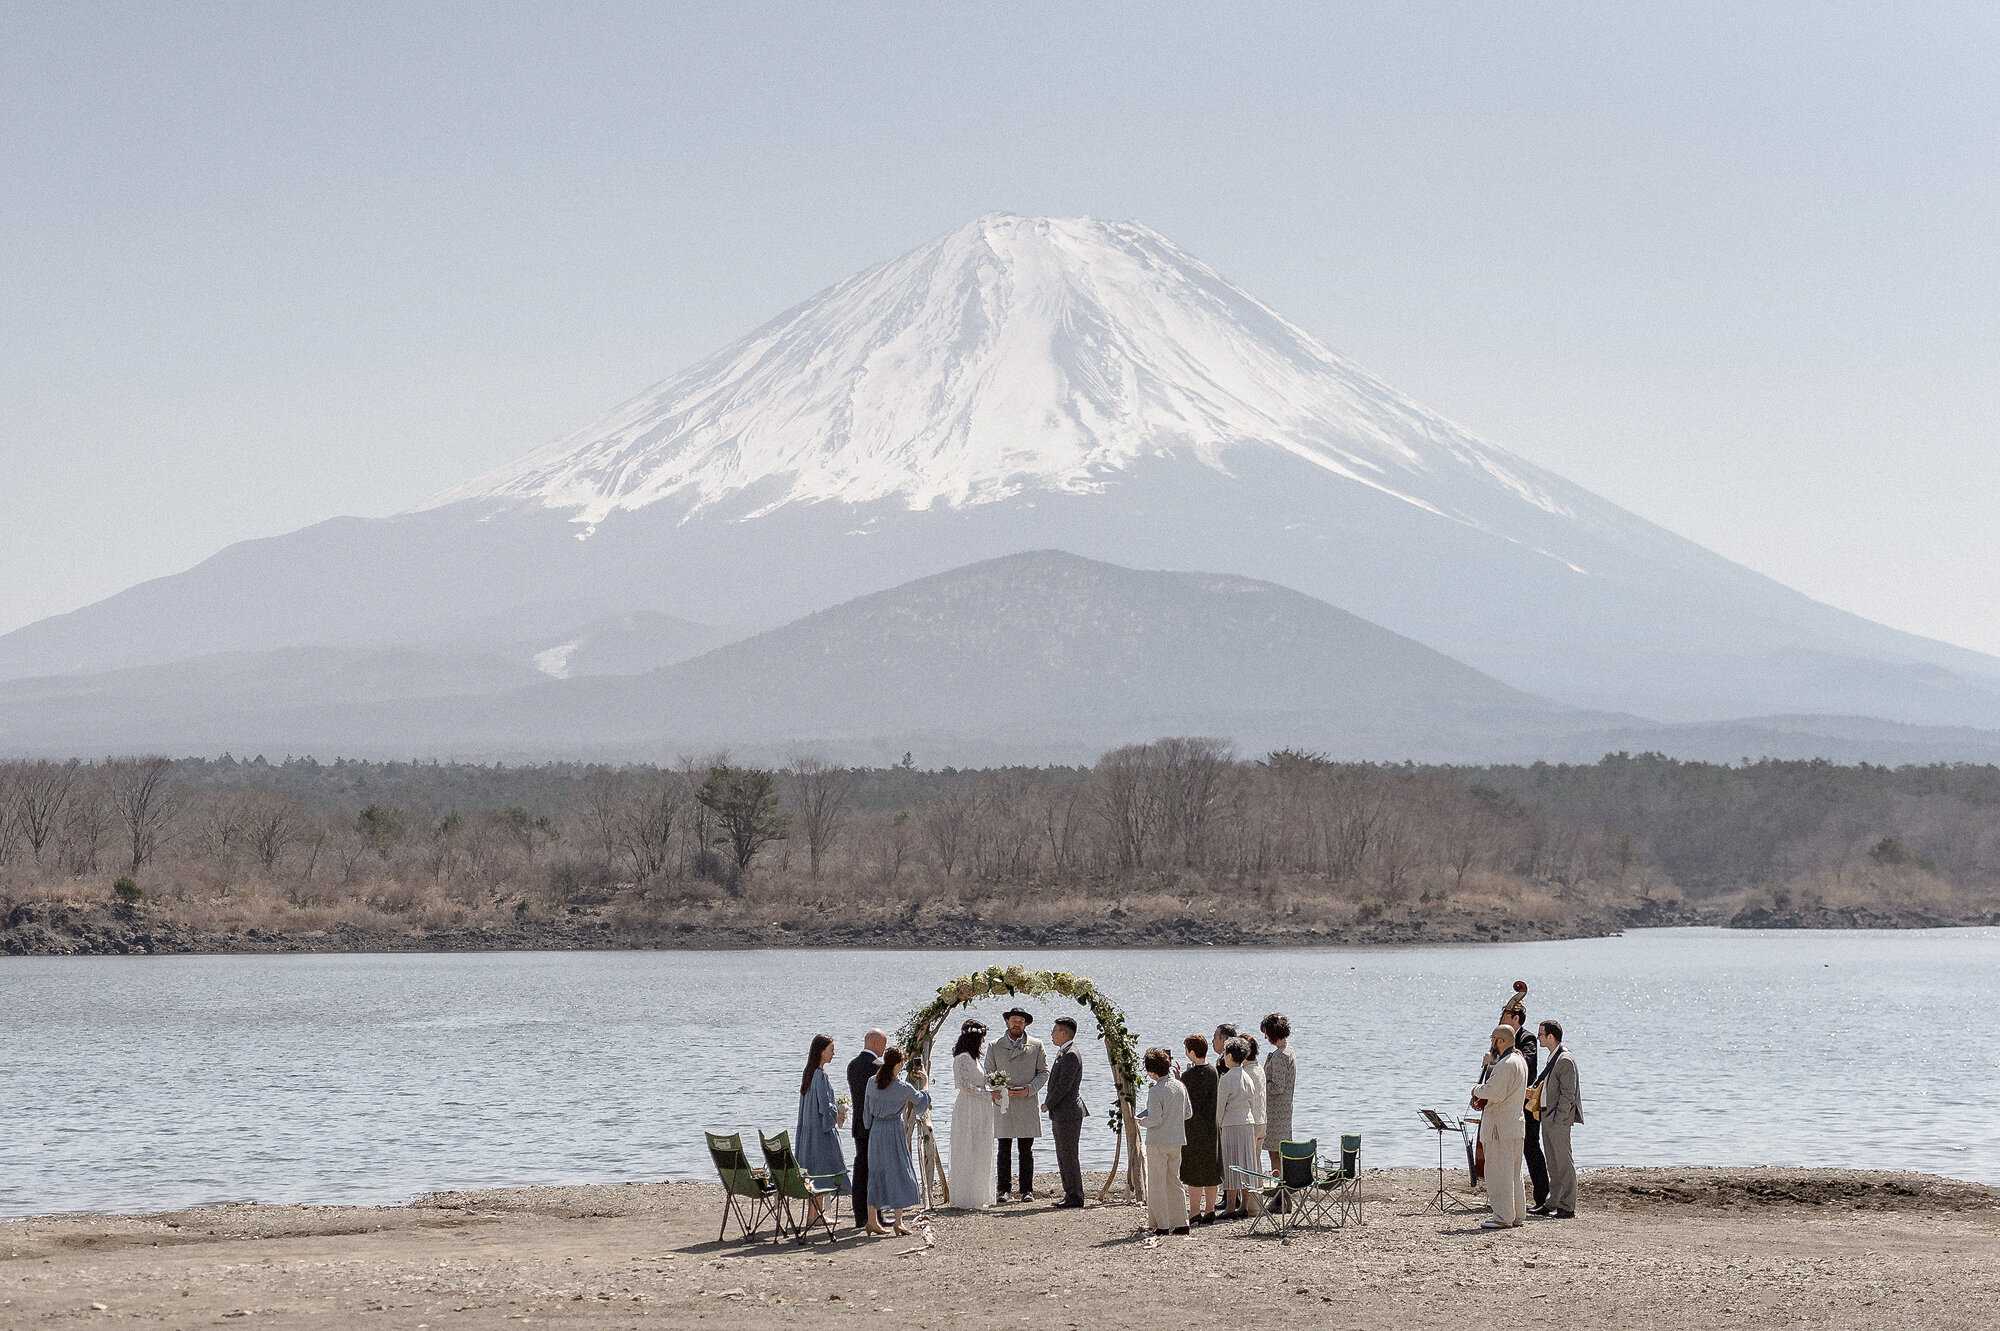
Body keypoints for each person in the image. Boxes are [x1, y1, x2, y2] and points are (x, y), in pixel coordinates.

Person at [863, 1046, 931, 1235]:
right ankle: (898, 1221)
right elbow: (922, 1100)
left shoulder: (871, 1082)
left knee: (876, 1174)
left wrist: (869, 1125)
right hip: (893, 1129)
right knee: (898, 1171)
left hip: (876, 1131)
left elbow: (866, 1110)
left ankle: (872, 1220)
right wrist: (925, 1081)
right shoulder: (902, 1087)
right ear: (899, 1064)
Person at [984, 1006, 1047, 1201]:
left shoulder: (1036, 1045)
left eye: (1021, 1020)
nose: (1017, 1023)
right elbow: (988, 1072)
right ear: (1007, 1022)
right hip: (1004, 1102)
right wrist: (1000, 1087)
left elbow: (1044, 1072)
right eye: (1013, 1020)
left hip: (1027, 1102)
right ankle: (1003, 1190)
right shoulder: (994, 1045)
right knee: (1004, 1148)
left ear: (1025, 1023)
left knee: (1026, 1149)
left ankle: (1026, 1190)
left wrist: (1030, 1089)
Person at [1470, 1023, 1528, 1229]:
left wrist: (1477, 1089)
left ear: (1501, 1041)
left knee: (1498, 1172)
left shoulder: (1507, 1064)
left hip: (1500, 1127)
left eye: (1493, 1039)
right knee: (1513, 1172)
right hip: (1514, 1124)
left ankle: (1503, 1217)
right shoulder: (1519, 1060)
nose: (1492, 1044)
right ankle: (1517, 1214)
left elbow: (1495, 1092)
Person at [1501, 981, 1550, 1213]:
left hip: (1527, 1102)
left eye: (1506, 1017)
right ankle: (1508, 1194)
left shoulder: (1527, 1038)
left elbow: (1527, 1062)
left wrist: (1509, 1052)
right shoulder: (1504, 1040)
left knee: (1531, 1146)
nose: (1502, 1021)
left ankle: (1542, 1196)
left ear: (1516, 1019)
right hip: (1509, 1102)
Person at [1136, 1047, 1193, 1235]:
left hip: (1158, 1141)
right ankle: (1181, 1221)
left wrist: (1141, 1121)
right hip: (1177, 1139)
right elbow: (1188, 1113)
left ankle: (1161, 1224)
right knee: (1174, 1181)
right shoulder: (1180, 1086)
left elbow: (1155, 1120)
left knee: (1157, 1182)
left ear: (1152, 1071)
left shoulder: (1156, 1091)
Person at [795, 1033, 849, 1226]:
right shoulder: (820, 1076)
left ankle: (814, 1214)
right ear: (821, 1051)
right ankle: (815, 1215)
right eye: (831, 1050)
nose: (834, 1054)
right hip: (820, 1133)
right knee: (823, 1170)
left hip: (807, 1132)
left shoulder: (808, 1073)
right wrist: (838, 1115)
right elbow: (824, 1108)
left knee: (813, 1169)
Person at [1533, 1020, 1583, 1219]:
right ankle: (1552, 1202)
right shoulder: (1554, 1057)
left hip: (1557, 1119)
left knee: (1563, 1163)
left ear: (1550, 1037)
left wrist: (1559, 1118)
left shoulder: (1565, 1060)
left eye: (1541, 1034)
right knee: (1552, 1164)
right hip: (1547, 1115)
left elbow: (1568, 1094)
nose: (1538, 1037)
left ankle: (1567, 1206)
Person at [948, 1020, 1000, 1209]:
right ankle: (966, 1196)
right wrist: (987, 1094)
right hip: (969, 1106)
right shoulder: (962, 1058)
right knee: (968, 1146)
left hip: (981, 1106)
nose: (983, 1041)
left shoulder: (975, 1059)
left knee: (980, 1146)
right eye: (981, 1038)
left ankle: (979, 1195)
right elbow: (962, 1085)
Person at [1042, 1016, 1089, 1209]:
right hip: (1062, 1112)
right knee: (1063, 1153)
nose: (1051, 1035)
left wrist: (1048, 1103)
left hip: (1069, 1112)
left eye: (1054, 1031)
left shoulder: (1070, 1054)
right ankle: (1070, 1192)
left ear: (1063, 1033)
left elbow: (1064, 1086)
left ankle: (1075, 1195)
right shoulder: (1064, 1052)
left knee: (1069, 1154)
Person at [1178, 1034, 1223, 1223]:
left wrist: (1178, 1079)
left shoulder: (1188, 1076)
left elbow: (1184, 1102)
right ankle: (1210, 1209)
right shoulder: (1214, 1072)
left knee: (1194, 1170)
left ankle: (1194, 1211)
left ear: (1192, 1052)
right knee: (1211, 1168)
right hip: (1211, 1126)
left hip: (1193, 1127)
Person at [845, 1028, 886, 1230]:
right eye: (884, 1046)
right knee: (875, 1171)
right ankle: (875, 1214)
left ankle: (860, 1215)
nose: (884, 1050)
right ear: (876, 1044)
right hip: (875, 1124)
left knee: (861, 1170)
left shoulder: (852, 1065)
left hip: (858, 1124)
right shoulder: (877, 1066)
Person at [1215, 1037, 1259, 1219]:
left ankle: (1231, 1207)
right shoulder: (1247, 1076)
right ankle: (1244, 1206)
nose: (1224, 1057)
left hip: (1231, 1123)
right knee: (1246, 1163)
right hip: (1247, 1122)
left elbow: (1220, 1106)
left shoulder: (1226, 1079)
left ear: (1230, 1055)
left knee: (1231, 1162)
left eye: (1225, 1053)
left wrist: (1218, 1124)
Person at [1260, 1013, 1295, 1174]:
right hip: (1282, 1109)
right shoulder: (1287, 1050)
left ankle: (1280, 1189)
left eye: (1266, 1033)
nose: (1266, 1037)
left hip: (1276, 1112)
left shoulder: (1281, 1055)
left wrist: (1260, 1084)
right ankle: (1282, 1187)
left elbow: (1277, 1086)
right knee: (1280, 1151)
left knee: (1275, 1152)